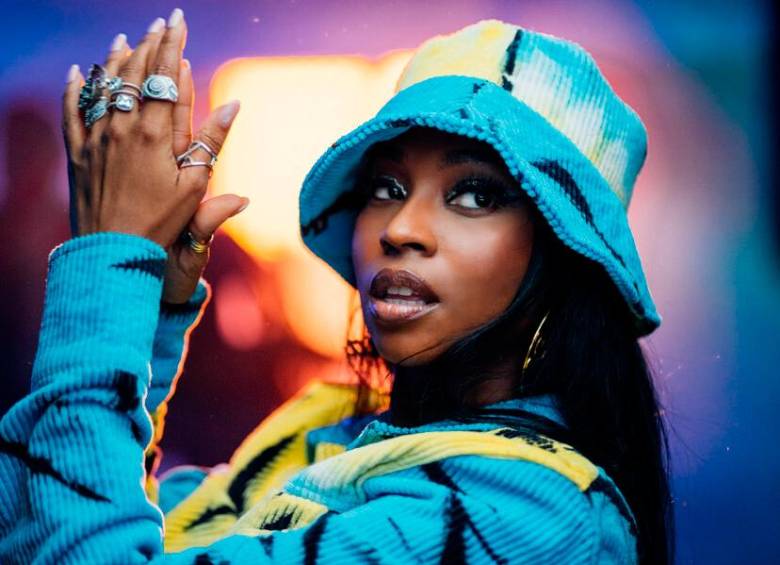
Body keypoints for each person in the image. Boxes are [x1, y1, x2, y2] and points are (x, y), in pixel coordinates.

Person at [0, 10, 674, 564]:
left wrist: (111, 263)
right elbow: (38, 527)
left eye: (473, 194)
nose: (399, 227)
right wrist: (147, 315)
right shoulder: (330, 432)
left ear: (567, 257)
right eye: (386, 187)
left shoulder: (529, 515)